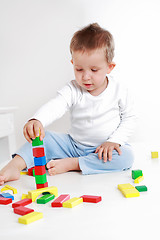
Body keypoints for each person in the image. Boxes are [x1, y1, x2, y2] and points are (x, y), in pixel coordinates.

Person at [0, 23, 136, 185]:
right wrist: (37, 120)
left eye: (94, 70)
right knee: (46, 138)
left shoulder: (119, 89)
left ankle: (75, 164)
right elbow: (56, 105)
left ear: (109, 67)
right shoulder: (73, 89)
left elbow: (130, 118)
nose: (86, 77)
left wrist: (115, 140)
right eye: (79, 69)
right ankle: (15, 166)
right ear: (73, 64)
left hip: (104, 148)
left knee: (126, 156)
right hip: (73, 145)